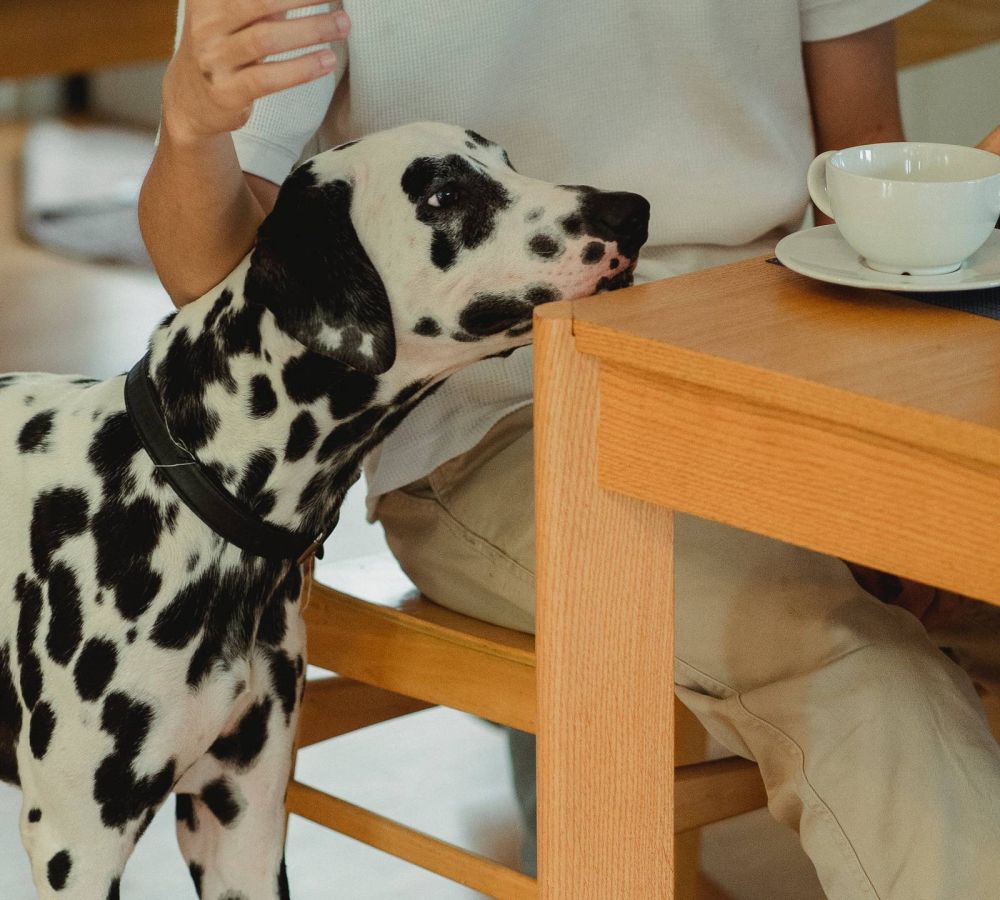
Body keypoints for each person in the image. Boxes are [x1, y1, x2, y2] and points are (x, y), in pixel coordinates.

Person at [139, 2, 1000, 897]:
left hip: (780, 372)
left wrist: (892, 463)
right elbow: (217, 279)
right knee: (864, 672)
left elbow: (859, 166)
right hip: (498, 417)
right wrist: (189, 125)